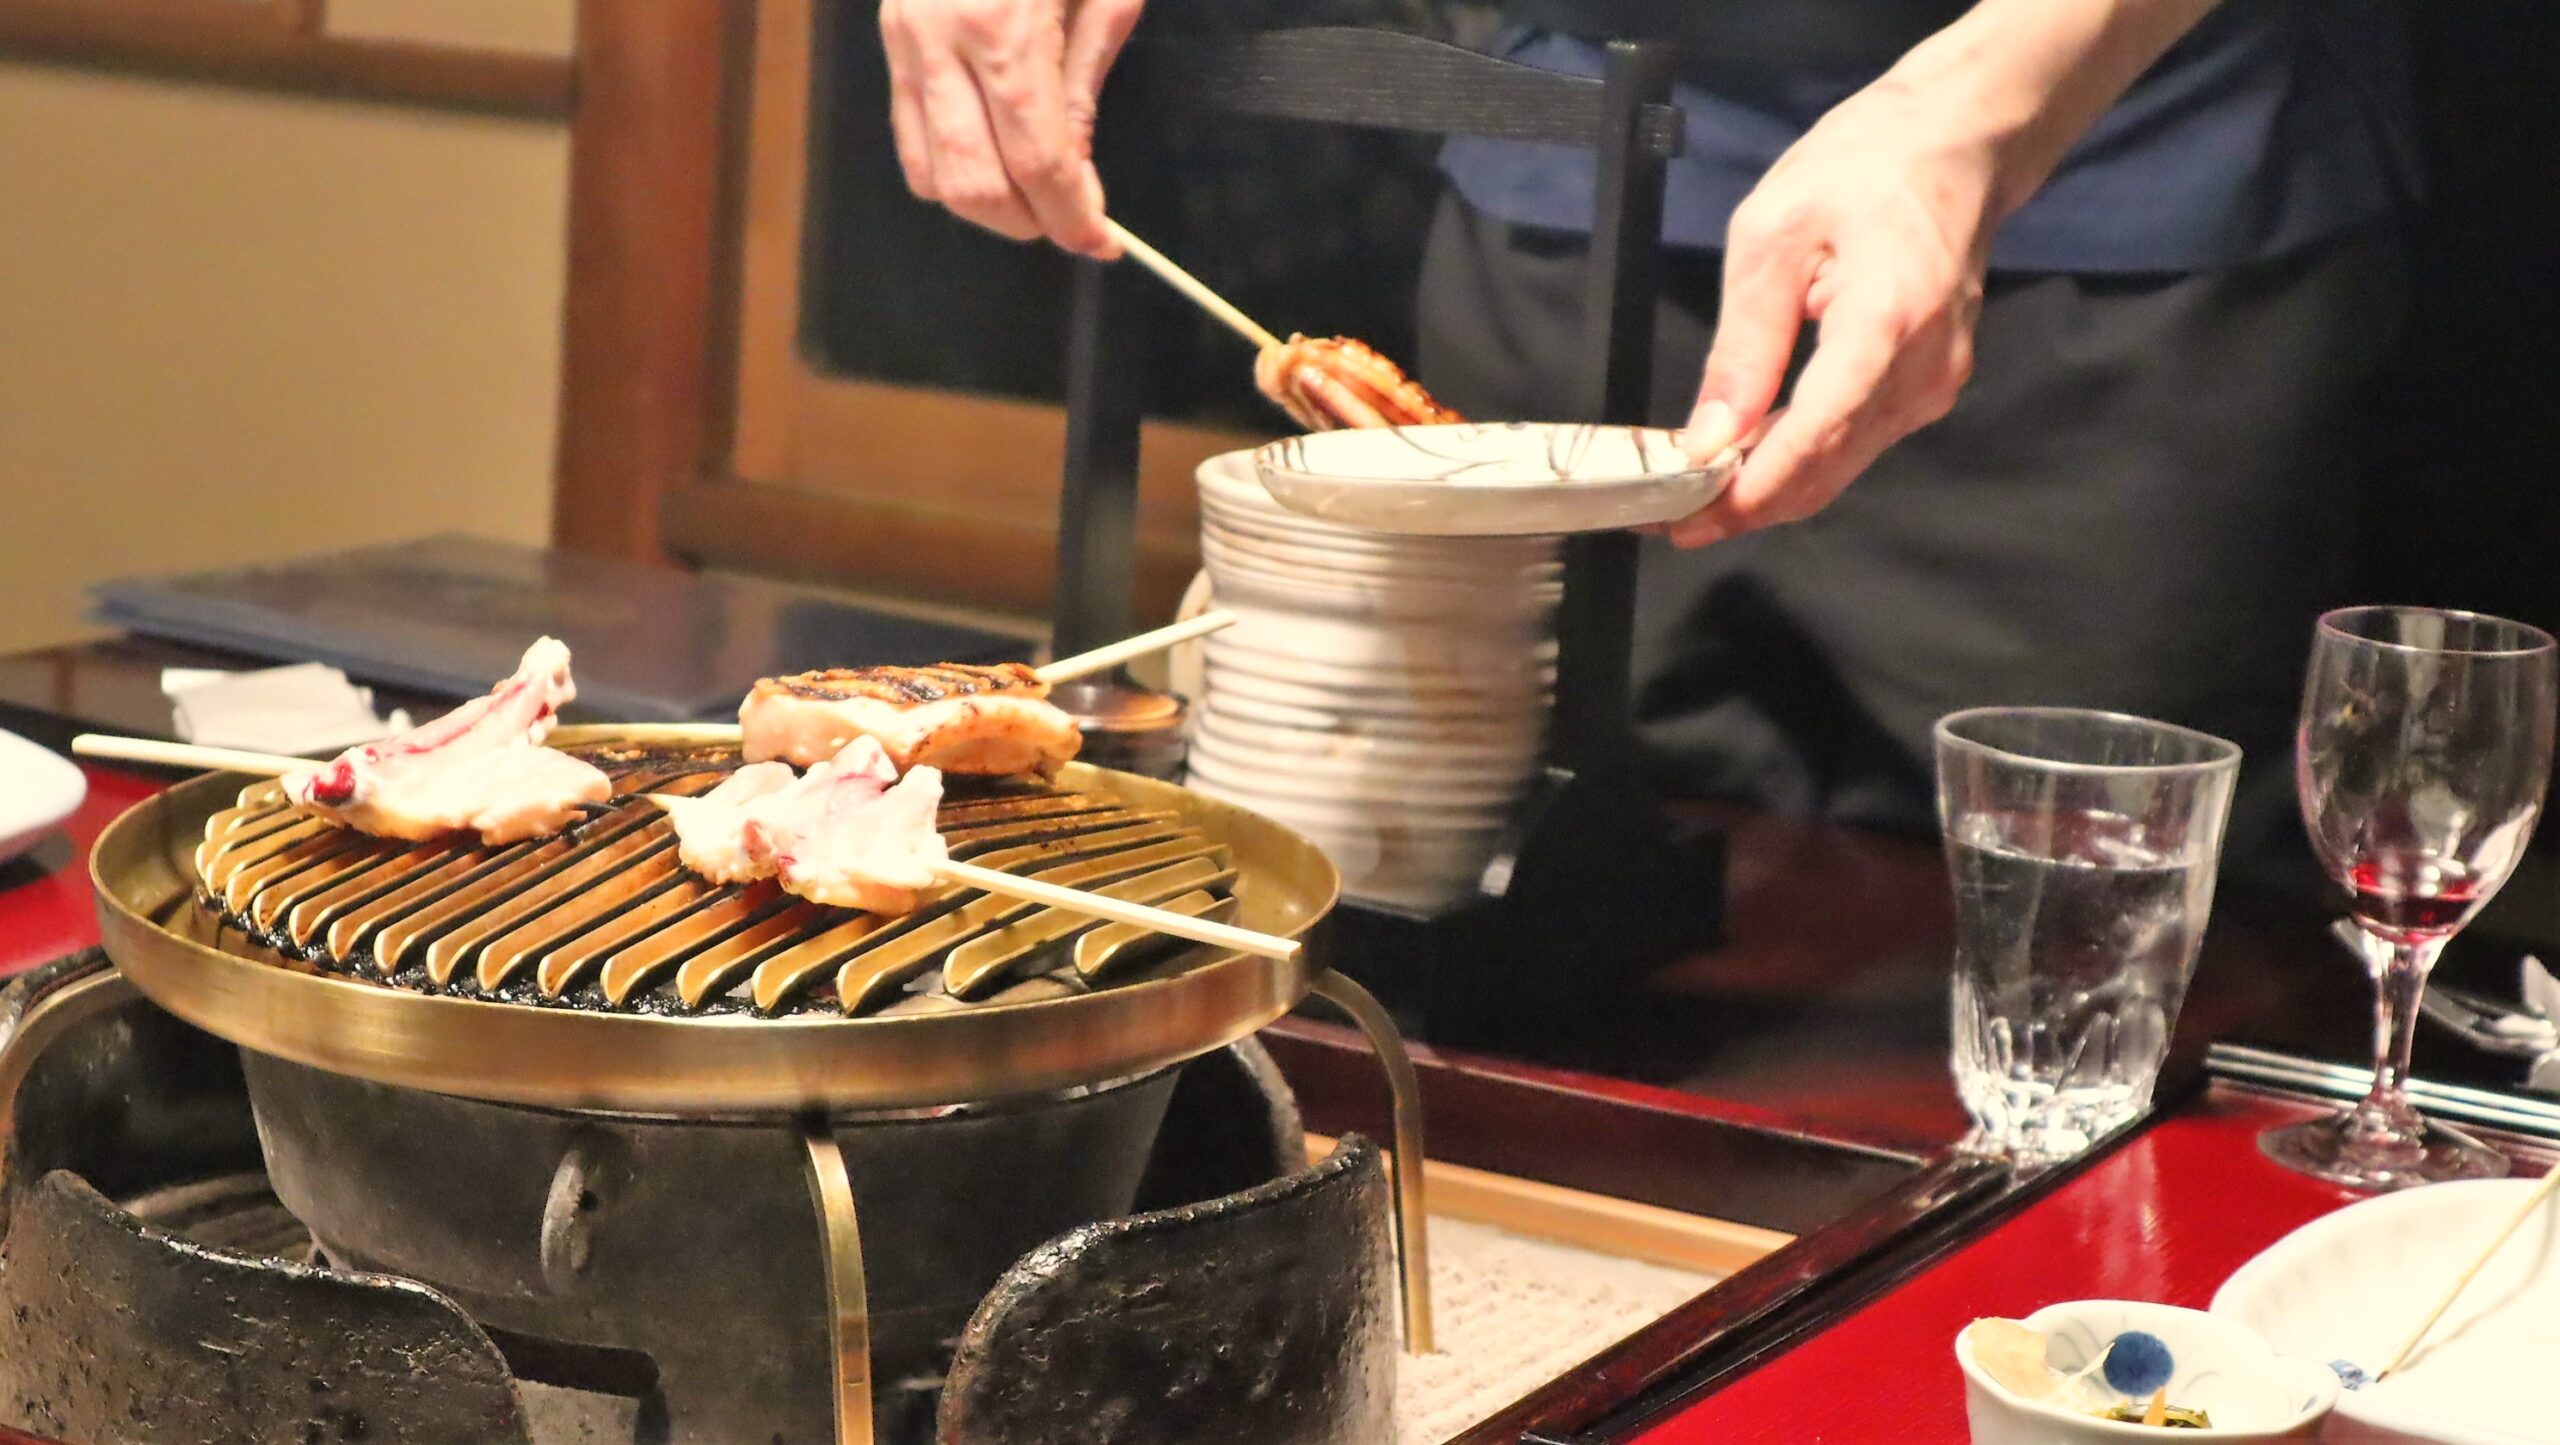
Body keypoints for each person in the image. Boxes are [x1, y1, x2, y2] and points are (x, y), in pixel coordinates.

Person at [875, 0, 2414, 870]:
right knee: (1506, 907)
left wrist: (1982, 109)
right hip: (1568, 183)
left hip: (2117, 226)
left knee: (2048, 986)